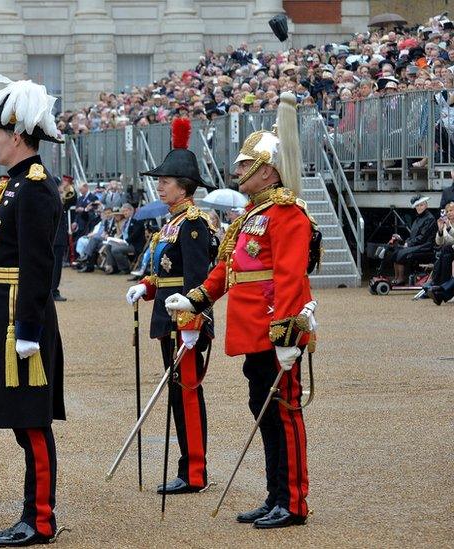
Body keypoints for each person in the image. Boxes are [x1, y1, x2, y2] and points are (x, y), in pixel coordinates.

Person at [166, 92, 316, 529]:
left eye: (246, 166)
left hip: (275, 329)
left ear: (267, 170)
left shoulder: (287, 214)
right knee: (263, 409)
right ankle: (275, 495)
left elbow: (289, 277)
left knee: (284, 413)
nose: (238, 172)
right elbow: (227, 269)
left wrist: (287, 332)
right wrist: (195, 298)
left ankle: (294, 500)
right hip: (253, 329)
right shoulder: (252, 214)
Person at [0, 75, 65, 547]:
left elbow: (39, 264)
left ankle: (41, 518)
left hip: (19, 319)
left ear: (19, 136)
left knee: (31, 420)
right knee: (21, 423)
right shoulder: (16, 184)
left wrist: (27, 326)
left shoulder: (36, 188)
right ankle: (31, 513)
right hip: (1, 310)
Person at [126, 117, 216, 495]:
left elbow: (197, 278)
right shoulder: (172, 222)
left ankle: (194, 471)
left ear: (185, 187)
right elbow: (165, 272)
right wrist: (146, 287)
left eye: (166, 181)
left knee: (188, 393)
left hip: (186, 323)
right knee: (178, 393)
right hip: (168, 318)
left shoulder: (193, 223)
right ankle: (187, 466)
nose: (159, 186)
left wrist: (193, 323)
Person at [383, 195, 437, 285]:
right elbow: (413, 235)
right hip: (417, 244)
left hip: (426, 246)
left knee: (402, 253)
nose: (419, 207)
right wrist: (406, 241)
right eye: (417, 206)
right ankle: (396, 277)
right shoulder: (417, 219)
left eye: (421, 205)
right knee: (396, 251)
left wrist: (409, 243)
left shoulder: (430, 219)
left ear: (426, 205)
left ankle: (401, 278)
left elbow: (423, 238)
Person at [51, 176, 76, 301]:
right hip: (58, 238)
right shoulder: (56, 199)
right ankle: (53, 291)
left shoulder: (53, 198)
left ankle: (51, 290)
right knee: (56, 267)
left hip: (54, 237)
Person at [428, 201, 454, 304]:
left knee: (445, 252)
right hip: (449, 250)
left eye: (451, 210)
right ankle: (440, 290)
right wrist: (440, 230)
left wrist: (448, 227)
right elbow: (439, 242)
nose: (449, 213)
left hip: (450, 249)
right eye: (447, 211)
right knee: (444, 253)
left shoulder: (448, 224)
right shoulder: (445, 223)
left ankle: (440, 289)